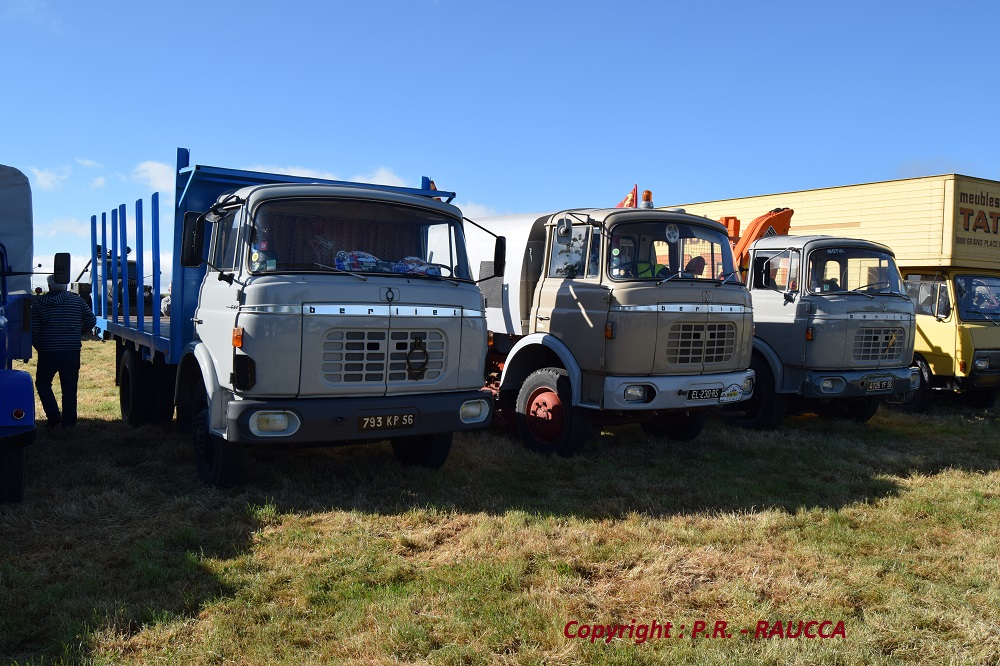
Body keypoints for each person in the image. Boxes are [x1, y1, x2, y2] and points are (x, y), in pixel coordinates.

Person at [30, 274, 96, 429]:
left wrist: (40, 346)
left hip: (48, 351)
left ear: (50, 287)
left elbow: (34, 330)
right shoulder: (77, 301)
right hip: (71, 351)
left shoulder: (39, 303)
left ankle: (53, 416)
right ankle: (69, 424)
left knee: (43, 383)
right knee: (69, 389)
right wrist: (77, 333)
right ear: (66, 286)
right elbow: (91, 320)